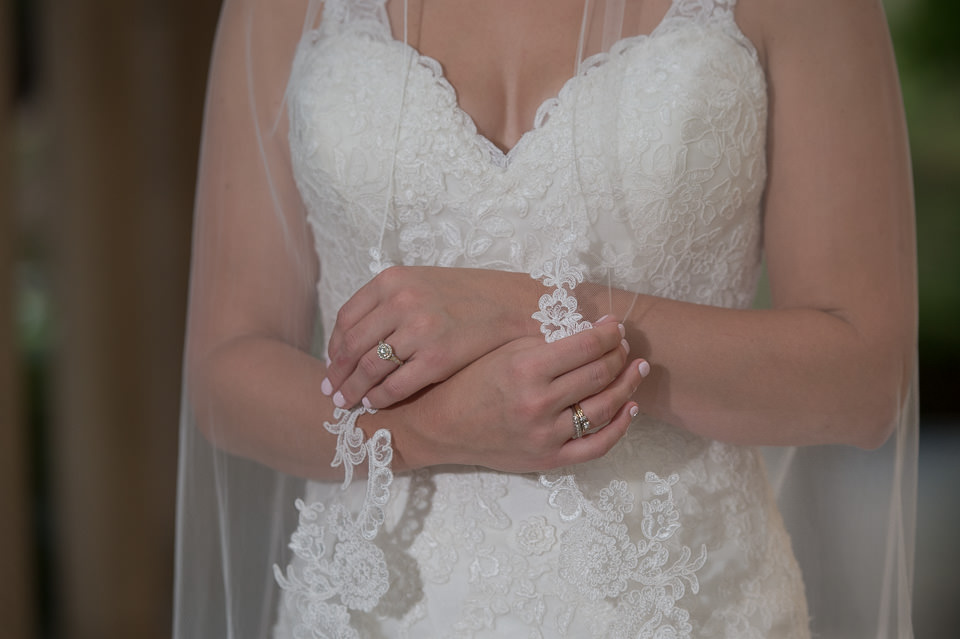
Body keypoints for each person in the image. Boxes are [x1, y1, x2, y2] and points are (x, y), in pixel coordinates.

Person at [174, 0, 918, 637]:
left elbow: (863, 378)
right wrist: (435, 426)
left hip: (682, 603)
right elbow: (227, 367)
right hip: (375, 606)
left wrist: (524, 306)